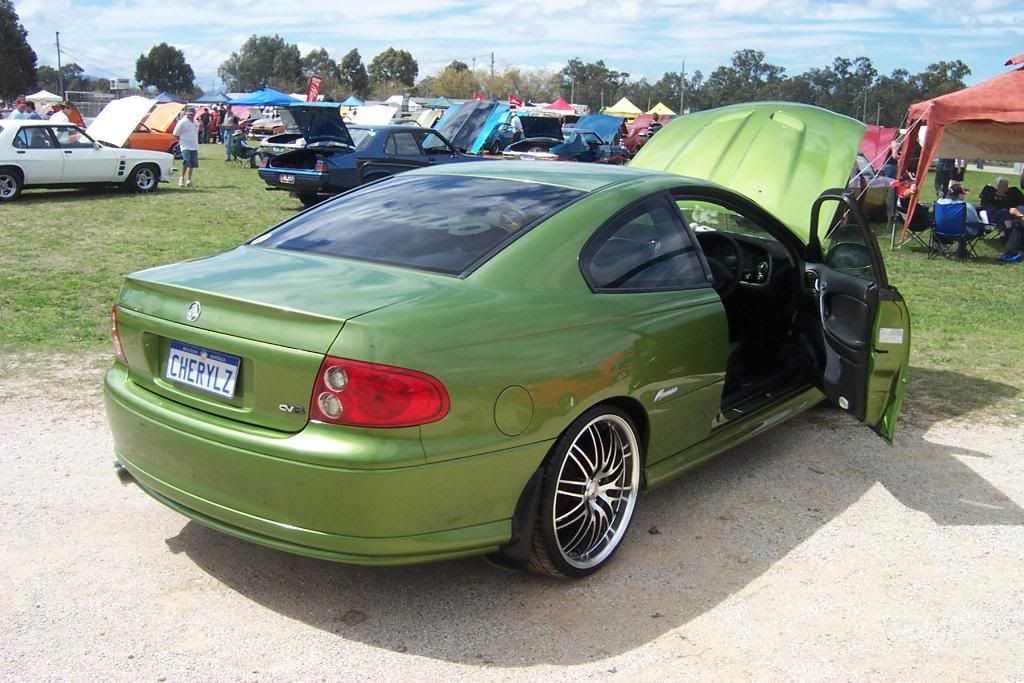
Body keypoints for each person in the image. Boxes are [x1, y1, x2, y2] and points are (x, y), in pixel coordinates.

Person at [172, 109, 200, 187]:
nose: (192, 116)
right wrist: (181, 141)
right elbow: (176, 134)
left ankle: (189, 180)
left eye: (193, 114)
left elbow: (195, 133)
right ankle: (182, 178)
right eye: (190, 114)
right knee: (186, 161)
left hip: (194, 145)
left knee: (192, 164)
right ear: (187, 114)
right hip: (185, 145)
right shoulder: (182, 122)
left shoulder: (196, 122)